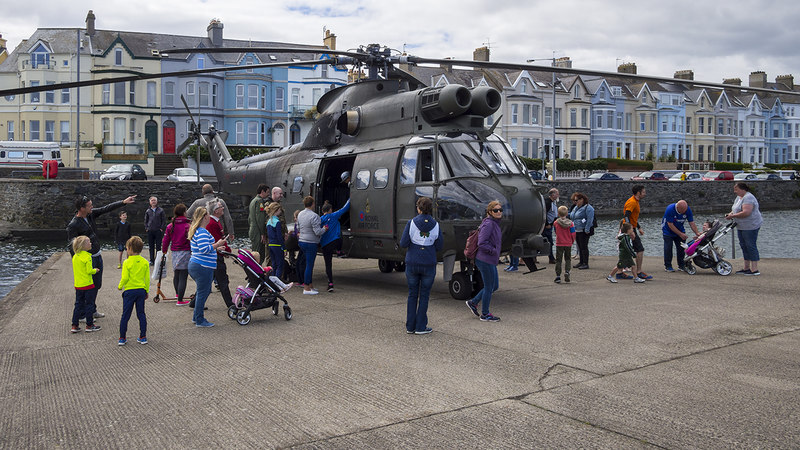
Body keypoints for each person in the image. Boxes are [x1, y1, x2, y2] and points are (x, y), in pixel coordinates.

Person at [66, 194, 136, 321]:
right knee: (87, 287)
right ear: (82, 208)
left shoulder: (91, 214)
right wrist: (78, 264)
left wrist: (123, 202)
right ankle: (82, 314)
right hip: (87, 259)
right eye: (89, 206)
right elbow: (72, 247)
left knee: (96, 285)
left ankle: (91, 310)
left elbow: (106, 208)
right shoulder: (74, 225)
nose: (92, 207)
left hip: (97, 256)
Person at [400, 196, 443, 335]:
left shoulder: (411, 223)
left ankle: (410, 326)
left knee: (412, 294)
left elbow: (403, 243)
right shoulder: (436, 225)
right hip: (428, 264)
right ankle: (420, 327)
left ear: (418, 209)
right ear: (431, 210)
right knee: (424, 295)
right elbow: (440, 245)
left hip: (412, 263)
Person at [187, 207, 228, 327]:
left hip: (198, 265)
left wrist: (216, 247)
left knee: (203, 291)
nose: (209, 216)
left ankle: (196, 317)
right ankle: (199, 319)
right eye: (208, 215)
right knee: (203, 292)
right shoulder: (202, 232)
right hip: (202, 266)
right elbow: (204, 249)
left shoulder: (198, 231)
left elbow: (204, 247)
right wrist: (218, 244)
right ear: (205, 217)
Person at [465, 200, 503, 322]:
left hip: (490, 259)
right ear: (490, 212)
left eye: (500, 210)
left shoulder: (494, 223)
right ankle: (485, 314)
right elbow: (482, 243)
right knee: (488, 287)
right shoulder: (489, 224)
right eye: (496, 210)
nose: (499, 212)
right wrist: (493, 250)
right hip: (485, 259)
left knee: (494, 286)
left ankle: (473, 302)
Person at [117, 236, 150, 346]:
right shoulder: (145, 262)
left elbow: (125, 277)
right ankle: (143, 336)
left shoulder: (126, 262)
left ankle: (122, 337)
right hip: (141, 290)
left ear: (130, 248)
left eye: (127, 248)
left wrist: (120, 285)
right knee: (141, 313)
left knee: (125, 314)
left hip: (129, 291)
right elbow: (147, 279)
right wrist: (146, 290)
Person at [725, 182, 763, 276]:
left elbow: (746, 212)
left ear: (743, 189)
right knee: (743, 245)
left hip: (751, 226)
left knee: (750, 245)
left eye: (736, 189)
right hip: (741, 225)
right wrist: (731, 214)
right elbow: (735, 209)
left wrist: (733, 216)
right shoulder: (739, 198)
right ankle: (746, 267)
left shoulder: (748, 197)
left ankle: (754, 269)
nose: (735, 191)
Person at [297, 196, 329, 294]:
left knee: (306, 263)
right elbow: (317, 232)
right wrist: (324, 229)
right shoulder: (314, 216)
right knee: (309, 265)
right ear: (312, 204)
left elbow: (298, 227)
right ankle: (306, 287)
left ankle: (310, 285)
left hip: (302, 241)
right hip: (311, 243)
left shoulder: (300, 214)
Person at [161, 203, 191, 306]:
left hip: (174, 252)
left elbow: (165, 240)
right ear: (183, 212)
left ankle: (178, 294)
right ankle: (180, 300)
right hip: (185, 251)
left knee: (177, 274)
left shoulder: (171, 225)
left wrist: (164, 251)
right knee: (183, 276)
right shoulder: (188, 226)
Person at [70, 236, 101, 333]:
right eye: (89, 242)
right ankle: (89, 325)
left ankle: (74, 325)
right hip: (88, 284)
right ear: (83, 246)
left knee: (78, 304)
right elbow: (88, 271)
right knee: (89, 304)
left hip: (78, 284)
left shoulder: (75, 256)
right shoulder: (87, 256)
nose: (91, 243)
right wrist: (95, 270)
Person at [206, 200, 234, 308]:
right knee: (222, 281)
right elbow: (217, 239)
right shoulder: (213, 223)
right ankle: (230, 304)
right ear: (216, 210)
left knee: (208, 281)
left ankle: (195, 302)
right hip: (216, 256)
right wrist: (227, 250)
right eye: (221, 207)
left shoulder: (215, 222)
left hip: (216, 254)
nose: (223, 208)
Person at [319, 198, 350, 292]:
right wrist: (350, 198)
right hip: (335, 242)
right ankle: (339, 251)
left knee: (328, 264)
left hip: (325, 244)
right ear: (330, 210)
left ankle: (330, 283)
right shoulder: (334, 216)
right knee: (340, 236)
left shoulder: (320, 219)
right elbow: (345, 208)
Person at [662, 200, 700, 272]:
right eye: (682, 211)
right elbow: (670, 224)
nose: (683, 212)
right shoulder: (670, 209)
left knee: (681, 248)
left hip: (680, 228)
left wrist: (697, 233)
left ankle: (681, 265)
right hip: (668, 230)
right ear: (677, 207)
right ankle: (668, 266)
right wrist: (680, 234)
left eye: (684, 211)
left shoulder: (687, 210)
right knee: (668, 248)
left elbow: (691, 223)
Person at [623, 185, 652, 280]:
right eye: (643, 192)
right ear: (638, 193)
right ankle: (638, 272)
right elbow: (626, 216)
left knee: (625, 250)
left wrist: (639, 227)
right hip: (628, 229)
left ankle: (620, 272)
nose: (645, 193)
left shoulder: (635, 201)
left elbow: (632, 218)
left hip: (631, 227)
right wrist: (631, 231)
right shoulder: (632, 202)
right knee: (639, 249)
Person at [569, 192, 595, 270]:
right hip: (576, 229)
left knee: (584, 247)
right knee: (579, 246)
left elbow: (590, 219)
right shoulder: (576, 207)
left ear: (582, 199)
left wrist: (587, 229)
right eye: (574, 200)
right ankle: (581, 261)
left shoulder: (588, 208)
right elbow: (572, 216)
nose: (575, 202)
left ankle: (585, 263)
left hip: (584, 230)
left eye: (576, 200)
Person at [264, 187, 287, 268]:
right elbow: (265, 220)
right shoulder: (268, 204)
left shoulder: (279, 204)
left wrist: (285, 232)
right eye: (280, 194)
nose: (281, 195)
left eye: (282, 194)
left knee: (279, 258)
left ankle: (278, 275)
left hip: (280, 233)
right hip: (272, 236)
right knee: (271, 258)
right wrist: (264, 234)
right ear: (274, 193)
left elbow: (283, 220)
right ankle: (270, 274)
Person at [248, 184, 270, 264]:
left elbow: (250, 218)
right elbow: (260, 219)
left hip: (253, 229)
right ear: (262, 191)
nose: (268, 194)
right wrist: (263, 233)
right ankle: (256, 272)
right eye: (267, 192)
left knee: (254, 253)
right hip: (257, 231)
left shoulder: (253, 201)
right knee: (258, 255)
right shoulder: (259, 201)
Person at [553, 206, 576, 284]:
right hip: (568, 243)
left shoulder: (556, 223)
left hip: (559, 243)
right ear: (567, 213)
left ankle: (558, 276)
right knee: (568, 259)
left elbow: (555, 232)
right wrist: (572, 241)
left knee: (558, 260)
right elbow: (573, 233)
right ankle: (567, 271)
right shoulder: (571, 223)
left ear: (558, 214)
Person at [266, 202, 286, 280]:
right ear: (276, 210)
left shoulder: (268, 222)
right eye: (280, 210)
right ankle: (277, 282)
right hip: (277, 245)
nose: (280, 212)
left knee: (274, 264)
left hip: (270, 245)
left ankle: (271, 281)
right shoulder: (277, 222)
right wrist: (284, 248)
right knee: (280, 264)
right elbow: (279, 237)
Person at [144, 196, 166, 266]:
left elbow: (163, 220)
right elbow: (146, 220)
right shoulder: (148, 211)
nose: (153, 202)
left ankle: (158, 260)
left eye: (154, 200)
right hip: (150, 230)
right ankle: (151, 260)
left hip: (158, 230)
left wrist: (161, 228)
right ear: (150, 202)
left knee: (158, 246)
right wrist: (146, 228)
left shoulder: (161, 210)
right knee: (151, 246)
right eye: (152, 200)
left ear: (157, 201)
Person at [543, 188, 559, 264]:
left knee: (548, 241)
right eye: (557, 194)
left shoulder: (553, 202)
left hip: (551, 224)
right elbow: (544, 213)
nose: (558, 195)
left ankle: (534, 258)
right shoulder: (548, 202)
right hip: (547, 226)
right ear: (553, 195)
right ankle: (551, 258)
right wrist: (547, 224)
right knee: (549, 242)